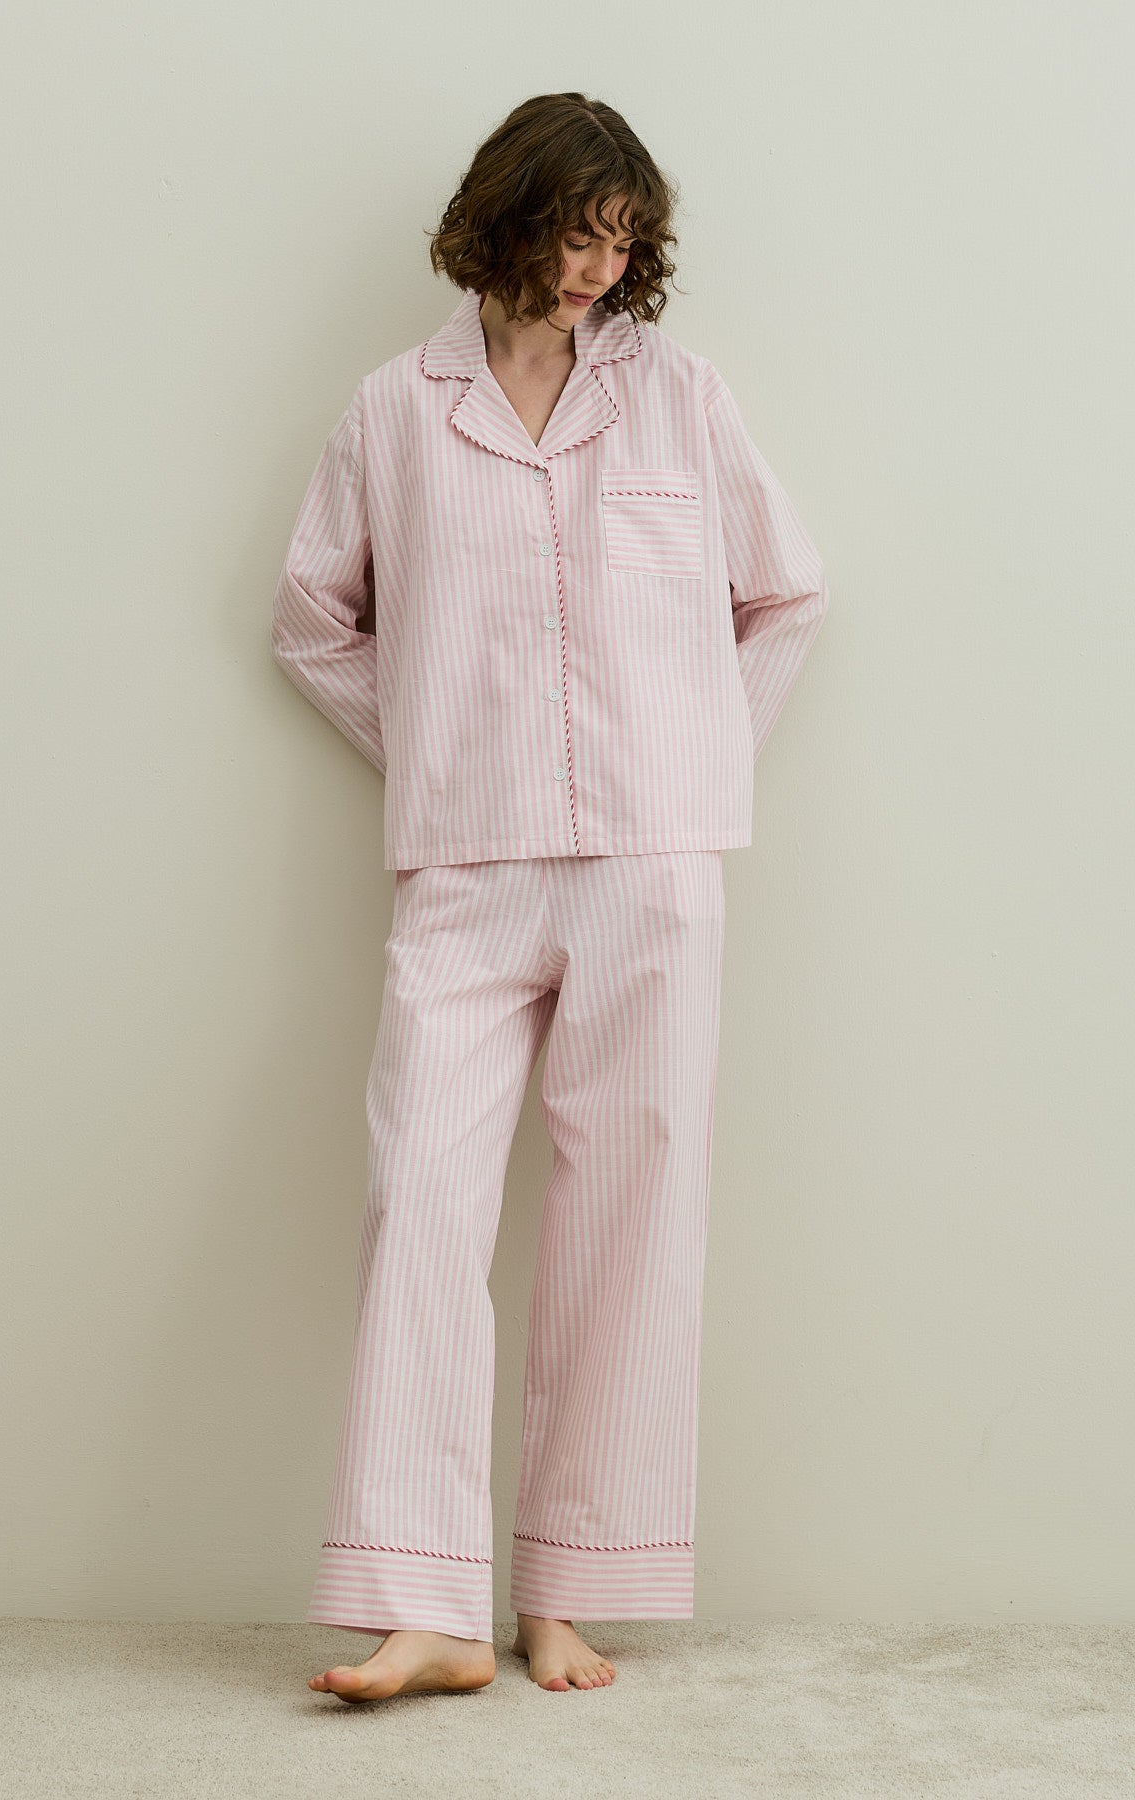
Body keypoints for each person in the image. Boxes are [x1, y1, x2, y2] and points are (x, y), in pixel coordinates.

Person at [270, 91, 831, 1702]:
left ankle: (570, 1589)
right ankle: (427, 1605)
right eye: (575, 233)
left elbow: (788, 594)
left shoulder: (680, 400)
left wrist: (692, 762)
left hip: (654, 864)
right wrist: (444, 751)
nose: (597, 268)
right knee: (421, 1198)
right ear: (505, 220)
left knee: (632, 1211)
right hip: (466, 865)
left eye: (620, 241)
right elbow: (313, 620)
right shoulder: (397, 409)